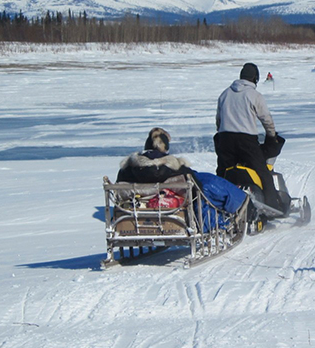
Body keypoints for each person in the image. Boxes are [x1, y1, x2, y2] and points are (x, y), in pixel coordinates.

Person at [116, 127, 250, 230]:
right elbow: (199, 189)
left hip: (137, 208)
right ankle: (241, 204)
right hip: (176, 210)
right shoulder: (173, 167)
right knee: (206, 185)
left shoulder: (127, 169)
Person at [214, 62, 283, 211]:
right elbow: (266, 119)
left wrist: (222, 135)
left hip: (225, 139)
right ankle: (272, 206)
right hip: (246, 140)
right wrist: (271, 136)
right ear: (255, 78)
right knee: (263, 172)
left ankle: (218, 205)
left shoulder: (225, 94)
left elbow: (218, 121)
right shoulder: (254, 95)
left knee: (223, 172)